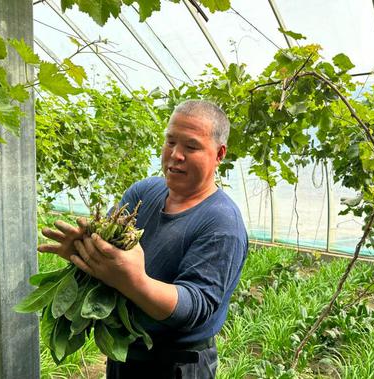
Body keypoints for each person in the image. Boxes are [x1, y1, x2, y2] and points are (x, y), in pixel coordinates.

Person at [38, 100, 248, 378]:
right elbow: (111, 255)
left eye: (191, 146)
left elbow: (194, 307)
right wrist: (85, 254)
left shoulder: (221, 223)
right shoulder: (144, 192)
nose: (175, 155)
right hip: (125, 353)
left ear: (219, 154)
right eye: (170, 141)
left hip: (177, 366)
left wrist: (133, 281)